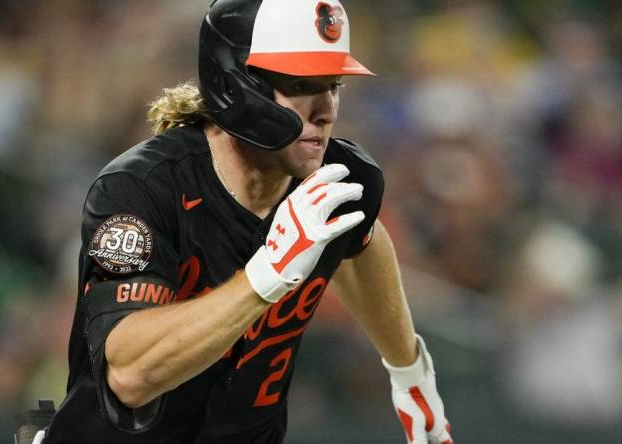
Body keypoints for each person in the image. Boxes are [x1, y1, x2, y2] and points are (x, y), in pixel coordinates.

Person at [38, 0, 452, 443]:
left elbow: (362, 242)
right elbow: (130, 376)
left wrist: (409, 371)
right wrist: (267, 274)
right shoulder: (141, 188)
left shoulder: (341, 179)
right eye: (300, 84)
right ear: (236, 84)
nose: (326, 109)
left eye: (332, 85)